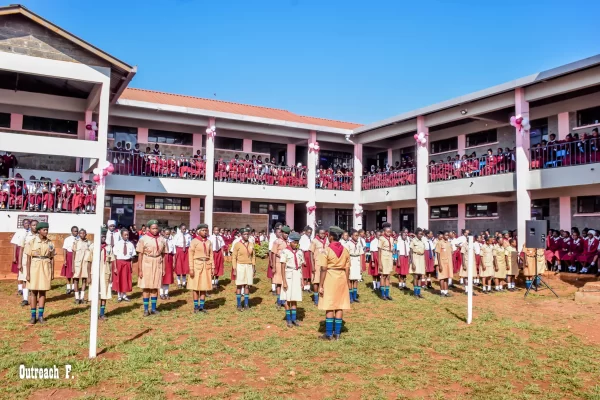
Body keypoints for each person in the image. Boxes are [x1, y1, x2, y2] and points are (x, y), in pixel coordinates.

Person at [318, 226, 351, 340]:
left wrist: (321, 284)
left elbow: (323, 268)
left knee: (329, 305)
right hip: (341, 277)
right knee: (339, 306)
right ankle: (337, 333)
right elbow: (347, 269)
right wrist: (346, 282)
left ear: (331, 237)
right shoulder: (346, 250)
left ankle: (328, 333)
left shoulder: (326, 250)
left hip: (330, 278)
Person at [24, 222, 54, 324]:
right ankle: (33, 316)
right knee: (33, 292)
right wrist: (27, 273)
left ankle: (40, 316)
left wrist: (52, 272)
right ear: (39, 231)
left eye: (47, 229)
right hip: (34, 268)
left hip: (45, 267)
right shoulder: (32, 241)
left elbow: (52, 257)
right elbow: (28, 259)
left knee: (43, 291)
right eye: (44, 230)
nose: (46, 231)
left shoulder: (50, 243)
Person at [136, 220, 166, 316]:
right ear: (149, 228)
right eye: (153, 228)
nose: (155, 230)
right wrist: (140, 269)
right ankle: (146, 309)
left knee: (155, 287)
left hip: (157, 262)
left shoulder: (161, 239)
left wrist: (164, 268)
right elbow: (140, 255)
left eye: (156, 228)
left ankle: (153, 308)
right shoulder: (143, 239)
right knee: (146, 287)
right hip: (147, 262)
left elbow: (164, 254)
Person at [280, 232, 304, 327]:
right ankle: (289, 319)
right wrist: (284, 281)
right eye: (294, 242)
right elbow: (282, 267)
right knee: (287, 298)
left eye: (297, 242)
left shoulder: (299, 252)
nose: (296, 244)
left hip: (297, 274)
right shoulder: (285, 252)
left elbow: (301, 266)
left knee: (294, 298)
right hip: (288, 275)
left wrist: (302, 280)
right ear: (290, 242)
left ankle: (294, 319)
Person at [188, 224, 214, 314]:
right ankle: (196, 306)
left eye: (206, 230)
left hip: (206, 265)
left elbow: (211, 255)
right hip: (196, 265)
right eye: (203, 230)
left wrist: (212, 267)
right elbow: (190, 255)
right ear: (198, 231)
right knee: (195, 287)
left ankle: (202, 307)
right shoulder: (194, 241)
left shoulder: (209, 242)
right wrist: (191, 268)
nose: (205, 232)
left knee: (204, 286)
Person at [232, 228, 255, 311]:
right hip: (240, 265)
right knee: (239, 285)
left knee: (247, 285)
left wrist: (253, 267)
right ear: (241, 235)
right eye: (244, 234)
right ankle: (238, 304)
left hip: (248, 266)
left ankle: (246, 304)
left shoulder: (251, 244)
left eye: (247, 234)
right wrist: (234, 269)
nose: (246, 235)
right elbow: (234, 257)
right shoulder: (237, 244)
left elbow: (253, 257)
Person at [112, 228, 135, 302]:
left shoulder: (131, 244)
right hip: (119, 262)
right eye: (125, 235)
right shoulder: (118, 244)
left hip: (127, 262)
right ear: (121, 235)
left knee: (125, 279)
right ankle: (119, 295)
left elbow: (132, 257)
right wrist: (115, 267)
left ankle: (124, 295)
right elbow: (115, 256)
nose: (126, 236)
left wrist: (131, 266)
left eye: (127, 235)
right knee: (119, 279)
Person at [97, 228, 114, 321]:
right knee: (95, 294)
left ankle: (102, 313)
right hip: (96, 273)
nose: (103, 238)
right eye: (101, 236)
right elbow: (89, 262)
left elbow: (111, 261)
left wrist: (111, 274)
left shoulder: (109, 247)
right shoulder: (93, 247)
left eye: (104, 236)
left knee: (104, 293)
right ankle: (94, 313)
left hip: (105, 272)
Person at [72, 229, 92, 305]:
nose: (82, 234)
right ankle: (77, 297)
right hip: (77, 263)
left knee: (84, 280)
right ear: (79, 234)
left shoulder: (89, 243)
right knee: (76, 280)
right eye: (80, 233)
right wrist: (72, 266)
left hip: (85, 264)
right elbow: (73, 254)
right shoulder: (76, 242)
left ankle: (82, 297)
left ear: (86, 234)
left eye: (83, 233)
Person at [11, 219, 30, 298]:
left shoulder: (30, 232)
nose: (27, 224)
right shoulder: (19, 232)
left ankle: (27, 287)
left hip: (27, 251)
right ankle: (20, 288)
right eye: (25, 223)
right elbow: (15, 245)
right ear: (23, 224)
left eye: (28, 223)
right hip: (19, 251)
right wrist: (14, 256)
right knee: (19, 270)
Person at [309, 227, 328, 306]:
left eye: (324, 233)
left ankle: (323, 297)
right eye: (321, 233)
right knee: (316, 281)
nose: (322, 235)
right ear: (317, 234)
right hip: (317, 263)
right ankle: (316, 299)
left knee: (324, 280)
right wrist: (312, 266)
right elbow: (311, 253)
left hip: (325, 263)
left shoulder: (327, 241)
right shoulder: (314, 241)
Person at [272, 226, 290, 309]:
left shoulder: (289, 242)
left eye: (288, 233)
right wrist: (273, 266)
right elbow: (273, 253)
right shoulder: (277, 242)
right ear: (282, 233)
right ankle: (279, 301)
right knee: (279, 283)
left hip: (287, 264)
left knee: (285, 282)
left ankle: (285, 300)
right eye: (285, 233)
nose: (287, 235)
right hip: (278, 263)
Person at [343, 229, 364, 303]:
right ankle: (350, 296)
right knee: (350, 279)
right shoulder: (348, 244)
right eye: (355, 235)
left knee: (356, 279)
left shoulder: (359, 243)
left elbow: (361, 254)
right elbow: (346, 254)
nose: (357, 237)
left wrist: (361, 266)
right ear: (351, 236)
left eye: (357, 235)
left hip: (357, 261)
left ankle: (355, 296)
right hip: (351, 260)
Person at [378, 223, 394, 300]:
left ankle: (387, 294)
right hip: (383, 256)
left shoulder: (391, 238)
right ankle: (382, 294)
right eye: (387, 232)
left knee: (388, 275)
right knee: (383, 275)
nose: (389, 233)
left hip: (390, 255)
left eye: (390, 232)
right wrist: (380, 263)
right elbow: (379, 250)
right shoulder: (381, 238)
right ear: (384, 232)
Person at [61, 226, 79, 295]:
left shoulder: (79, 239)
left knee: (75, 272)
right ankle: (68, 287)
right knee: (68, 272)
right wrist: (65, 259)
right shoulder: (67, 239)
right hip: (69, 255)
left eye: (77, 231)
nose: (76, 232)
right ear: (71, 231)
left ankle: (74, 287)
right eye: (74, 231)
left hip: (77, 256)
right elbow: (65, 249)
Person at [173, 223, 191, 289]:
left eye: (185, 229)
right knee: (179, 267)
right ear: (180, 229)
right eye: (183, 229)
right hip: (179, 251)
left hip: (186, 251)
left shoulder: (188, 235)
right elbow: (174, 245)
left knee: (185, 267)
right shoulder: (177, 236)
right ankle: (179, 282)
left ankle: (184, 282)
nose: (184, 230)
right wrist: (175, 253)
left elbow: (189, 244)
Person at [436, 231, 453, 297]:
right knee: (442, 278)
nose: (447, 236)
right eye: (446, 235)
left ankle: (446, 291)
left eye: (448, 235)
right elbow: (438, 254)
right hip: (442, 263)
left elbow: (451, 252)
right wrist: (439, 264)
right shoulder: (439, 243)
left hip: (448, 263)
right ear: (443, 235)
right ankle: (442, 292)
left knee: (446, 277)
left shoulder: (449, 243)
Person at [161, 227, 175, 300]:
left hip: (169, 258)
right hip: (163, 258)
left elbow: (174, 253)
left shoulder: (172, 241)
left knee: (168, 276)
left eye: (169, 234)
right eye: (166, 234)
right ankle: (161, 293)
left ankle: (166, 293)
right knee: (162, 277)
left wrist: (174, 262)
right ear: (163, 233)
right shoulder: (161, 241)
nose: (167, 235)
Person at [299, 226, 313, 291]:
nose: (309, 234)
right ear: (305, 232)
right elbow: (301, 249)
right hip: (305, 255)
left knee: (310, 271)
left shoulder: (310, 238)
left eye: (310, 232)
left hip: (310, 255)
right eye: (308, 232)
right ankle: (304, 286)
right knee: (305, 272)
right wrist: (303, 259)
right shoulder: (302, 238)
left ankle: (308, 286)